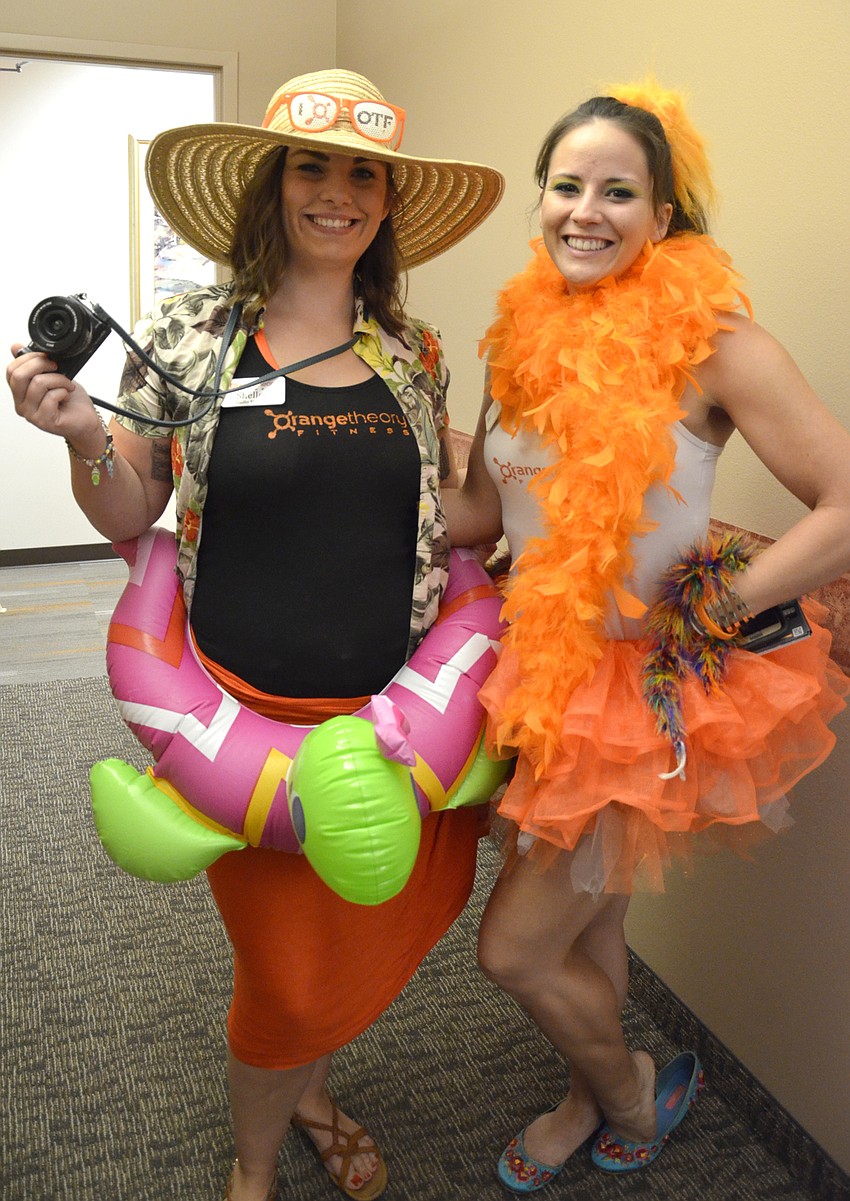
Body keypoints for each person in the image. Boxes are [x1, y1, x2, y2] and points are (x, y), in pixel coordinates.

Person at [7, 69, 503, 1201]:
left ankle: (314, 1092)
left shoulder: (415, 351)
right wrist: (84, 434)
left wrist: (530, 468)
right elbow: (130, 511)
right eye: (310, 166)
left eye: (361, 172)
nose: (337, 193)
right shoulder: (193, 333)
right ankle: (256, 1159)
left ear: (386, 200)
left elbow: (449, 515)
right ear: (272, 186)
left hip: (391, 723)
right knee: (282, 980)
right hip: (247, 722)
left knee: (357, 950)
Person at [443, 80, 850, 1192]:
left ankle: (631, 1088)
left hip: (640, 695)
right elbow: (485, 511)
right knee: (585, 924)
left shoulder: (714, 345)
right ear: (539, 200)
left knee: (513, 947)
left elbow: (843, 501)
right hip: (541, 663)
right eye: (567, 185)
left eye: (618, 191)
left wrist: (713, 607)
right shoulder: (515, 337)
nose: (587, 209)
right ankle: (593, 1094)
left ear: (661, 217)